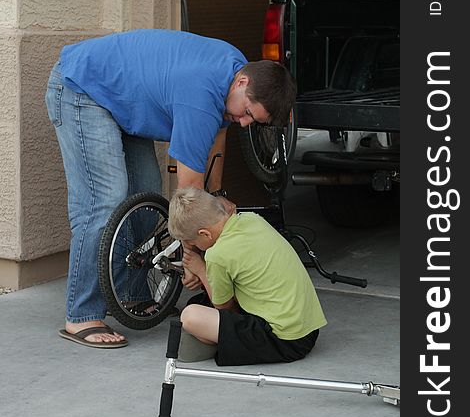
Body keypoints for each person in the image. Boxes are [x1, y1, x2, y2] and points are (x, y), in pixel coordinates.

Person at [44, 29, 296, 348]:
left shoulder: (235, 72)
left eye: (252, 120)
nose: (244, 123)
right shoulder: (203, 93)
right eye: (247, 113)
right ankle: (81, 314)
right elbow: (188, 195)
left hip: (122, 101)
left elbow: (215, 140)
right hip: (83, 89)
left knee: (146, 195)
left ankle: (131, 294)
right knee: (104, 201)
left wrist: (217, 197)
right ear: (243, 83)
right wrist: (194, 255)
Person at [168, 187, 327, 366]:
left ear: (205, 234)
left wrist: (201, 271)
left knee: (190, 315)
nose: (193, 247)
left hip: (285, 341)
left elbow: (225, 309)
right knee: (200, 301)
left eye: (193, 243)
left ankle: (225, 345)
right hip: (308, 330)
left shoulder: (217, 255)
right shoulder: (252, 219)